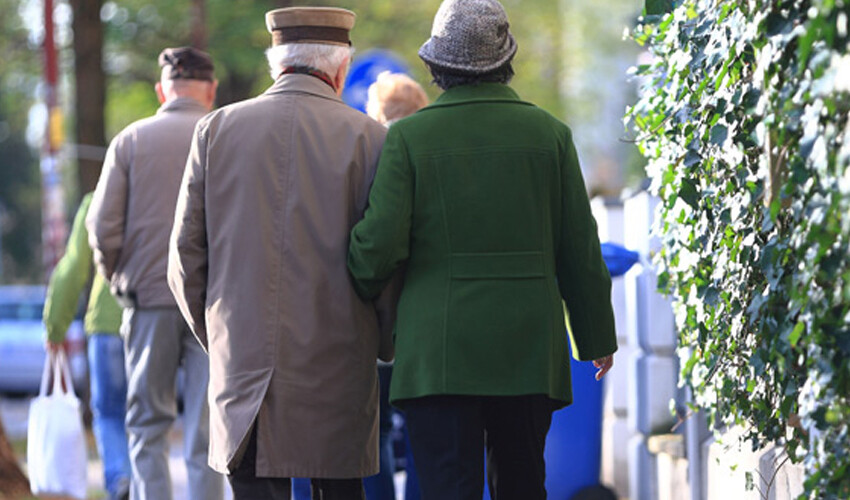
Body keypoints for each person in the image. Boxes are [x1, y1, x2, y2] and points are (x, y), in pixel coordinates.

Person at [347, 0, 618, 499]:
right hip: (527, 350)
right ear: (506, 59)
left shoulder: (409, 138)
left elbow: (379, 245)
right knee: (521, 483)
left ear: (436, 65)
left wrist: (356, 278)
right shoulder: (549, 135)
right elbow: (579, 247)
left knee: (448, 487)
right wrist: (595, 336)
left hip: (438, 353)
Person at [167, 7, 394, 500]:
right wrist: (383, 342)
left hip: (243, 372)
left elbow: (185, 258)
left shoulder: (215, 131)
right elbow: (387, 259)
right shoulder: (372, 139)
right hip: (340, 369)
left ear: (276, 63)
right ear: (341, 68)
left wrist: (222, 338)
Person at [86, 46, 223, 500]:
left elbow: (102, 226)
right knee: (207, 427)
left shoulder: (130, 140)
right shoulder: (225, 134)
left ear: (161, 89)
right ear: (212, 88)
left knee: (147, 423)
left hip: (148, 301)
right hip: (213, 305)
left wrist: (117, 279)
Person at [362, 71, 428, 500]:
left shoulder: (365, 152)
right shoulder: (428, 152)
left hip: (372, 321)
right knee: (427, 429)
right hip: (425, 318)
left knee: (375, 431)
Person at [43, 193, 131, 500]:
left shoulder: (97, 199)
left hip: (106, 325)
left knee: (108, 412)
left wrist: (55, 326)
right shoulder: (162, 191)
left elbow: (73, 267)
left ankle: (120, 477)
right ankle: (143, 484)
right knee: (148, 415)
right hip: (148, 319)